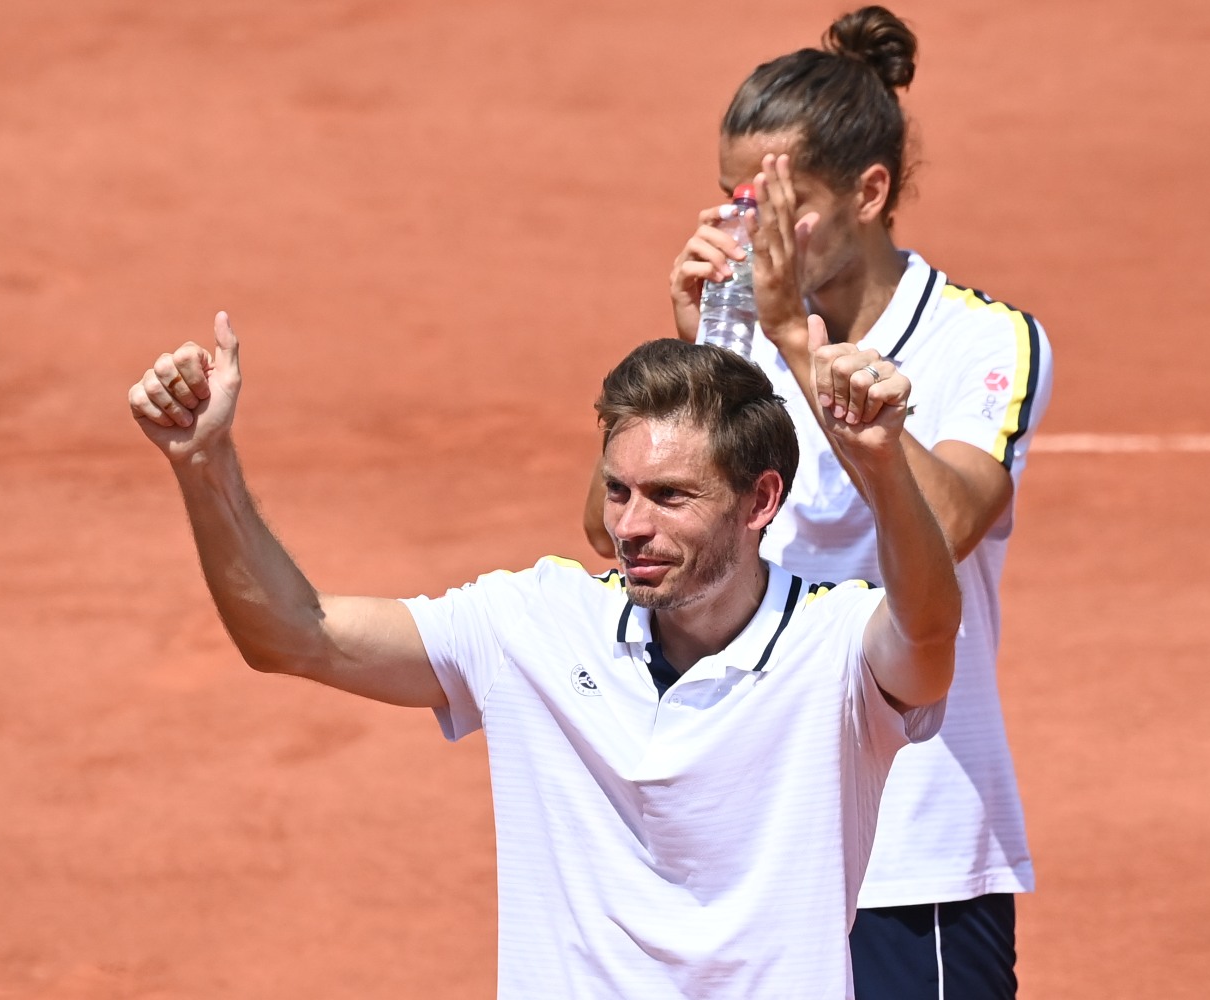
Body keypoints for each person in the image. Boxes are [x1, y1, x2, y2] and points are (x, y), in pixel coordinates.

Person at [129, 311, 969, 998]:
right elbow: (293, 633)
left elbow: (928, 632)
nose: (630, 526)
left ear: (761, 501)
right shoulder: (532, 623)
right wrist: (205, 465)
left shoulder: (837, 649)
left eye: (671, 497)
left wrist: (883, 467)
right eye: (617, 490)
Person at [581, 8, 1053, 997]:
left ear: (869, 192)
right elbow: (621, 535)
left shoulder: (985, 341)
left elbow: (952, 518)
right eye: (730, 199)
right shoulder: (732, 335)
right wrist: (696, 362)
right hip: (742, 836)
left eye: (776, 201)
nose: (744, 230)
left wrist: (793, 339)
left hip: (909, 847)